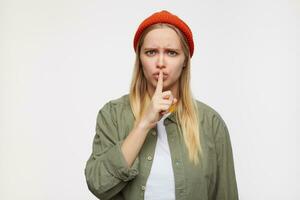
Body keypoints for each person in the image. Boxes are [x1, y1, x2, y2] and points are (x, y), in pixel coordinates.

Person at [85, 10, 239, 200]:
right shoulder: (113, 115)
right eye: (151, 52)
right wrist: (143, 124)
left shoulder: (211, 123)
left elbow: (226, 195)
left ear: (185, 61)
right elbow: (97, 184)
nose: (160, 62)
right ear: (140, 60)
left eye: (171, 53)